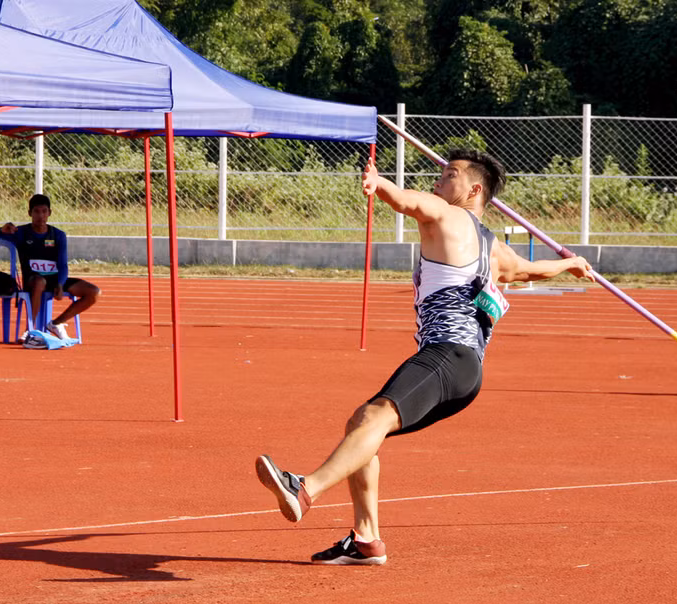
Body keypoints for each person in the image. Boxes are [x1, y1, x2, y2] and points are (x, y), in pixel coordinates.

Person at [255, 149, 596, 565]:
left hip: (446, 356)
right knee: (362, 424)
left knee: (373, 419)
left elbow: (407, 201)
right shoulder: (494, 248)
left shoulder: (445, 214)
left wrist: (378, 185)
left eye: (449, 174)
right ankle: (366, 541)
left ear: (473, 189)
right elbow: (531, 271)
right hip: (465, 373)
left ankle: (304, 488)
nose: (439, 180)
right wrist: (572, 264)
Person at [0, 193, 99, 340]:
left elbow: (62, 264)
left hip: (55, 280)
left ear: (50, 213)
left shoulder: (58, 235)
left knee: (94, 292)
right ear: (30, 213)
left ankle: (57, 323)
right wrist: (0, 230)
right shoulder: (21, 233)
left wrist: (60, 284)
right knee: (39, 282)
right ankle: (30, 330)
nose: (40, 216)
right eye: (36, 211)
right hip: (33, 281)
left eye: (44, 211)